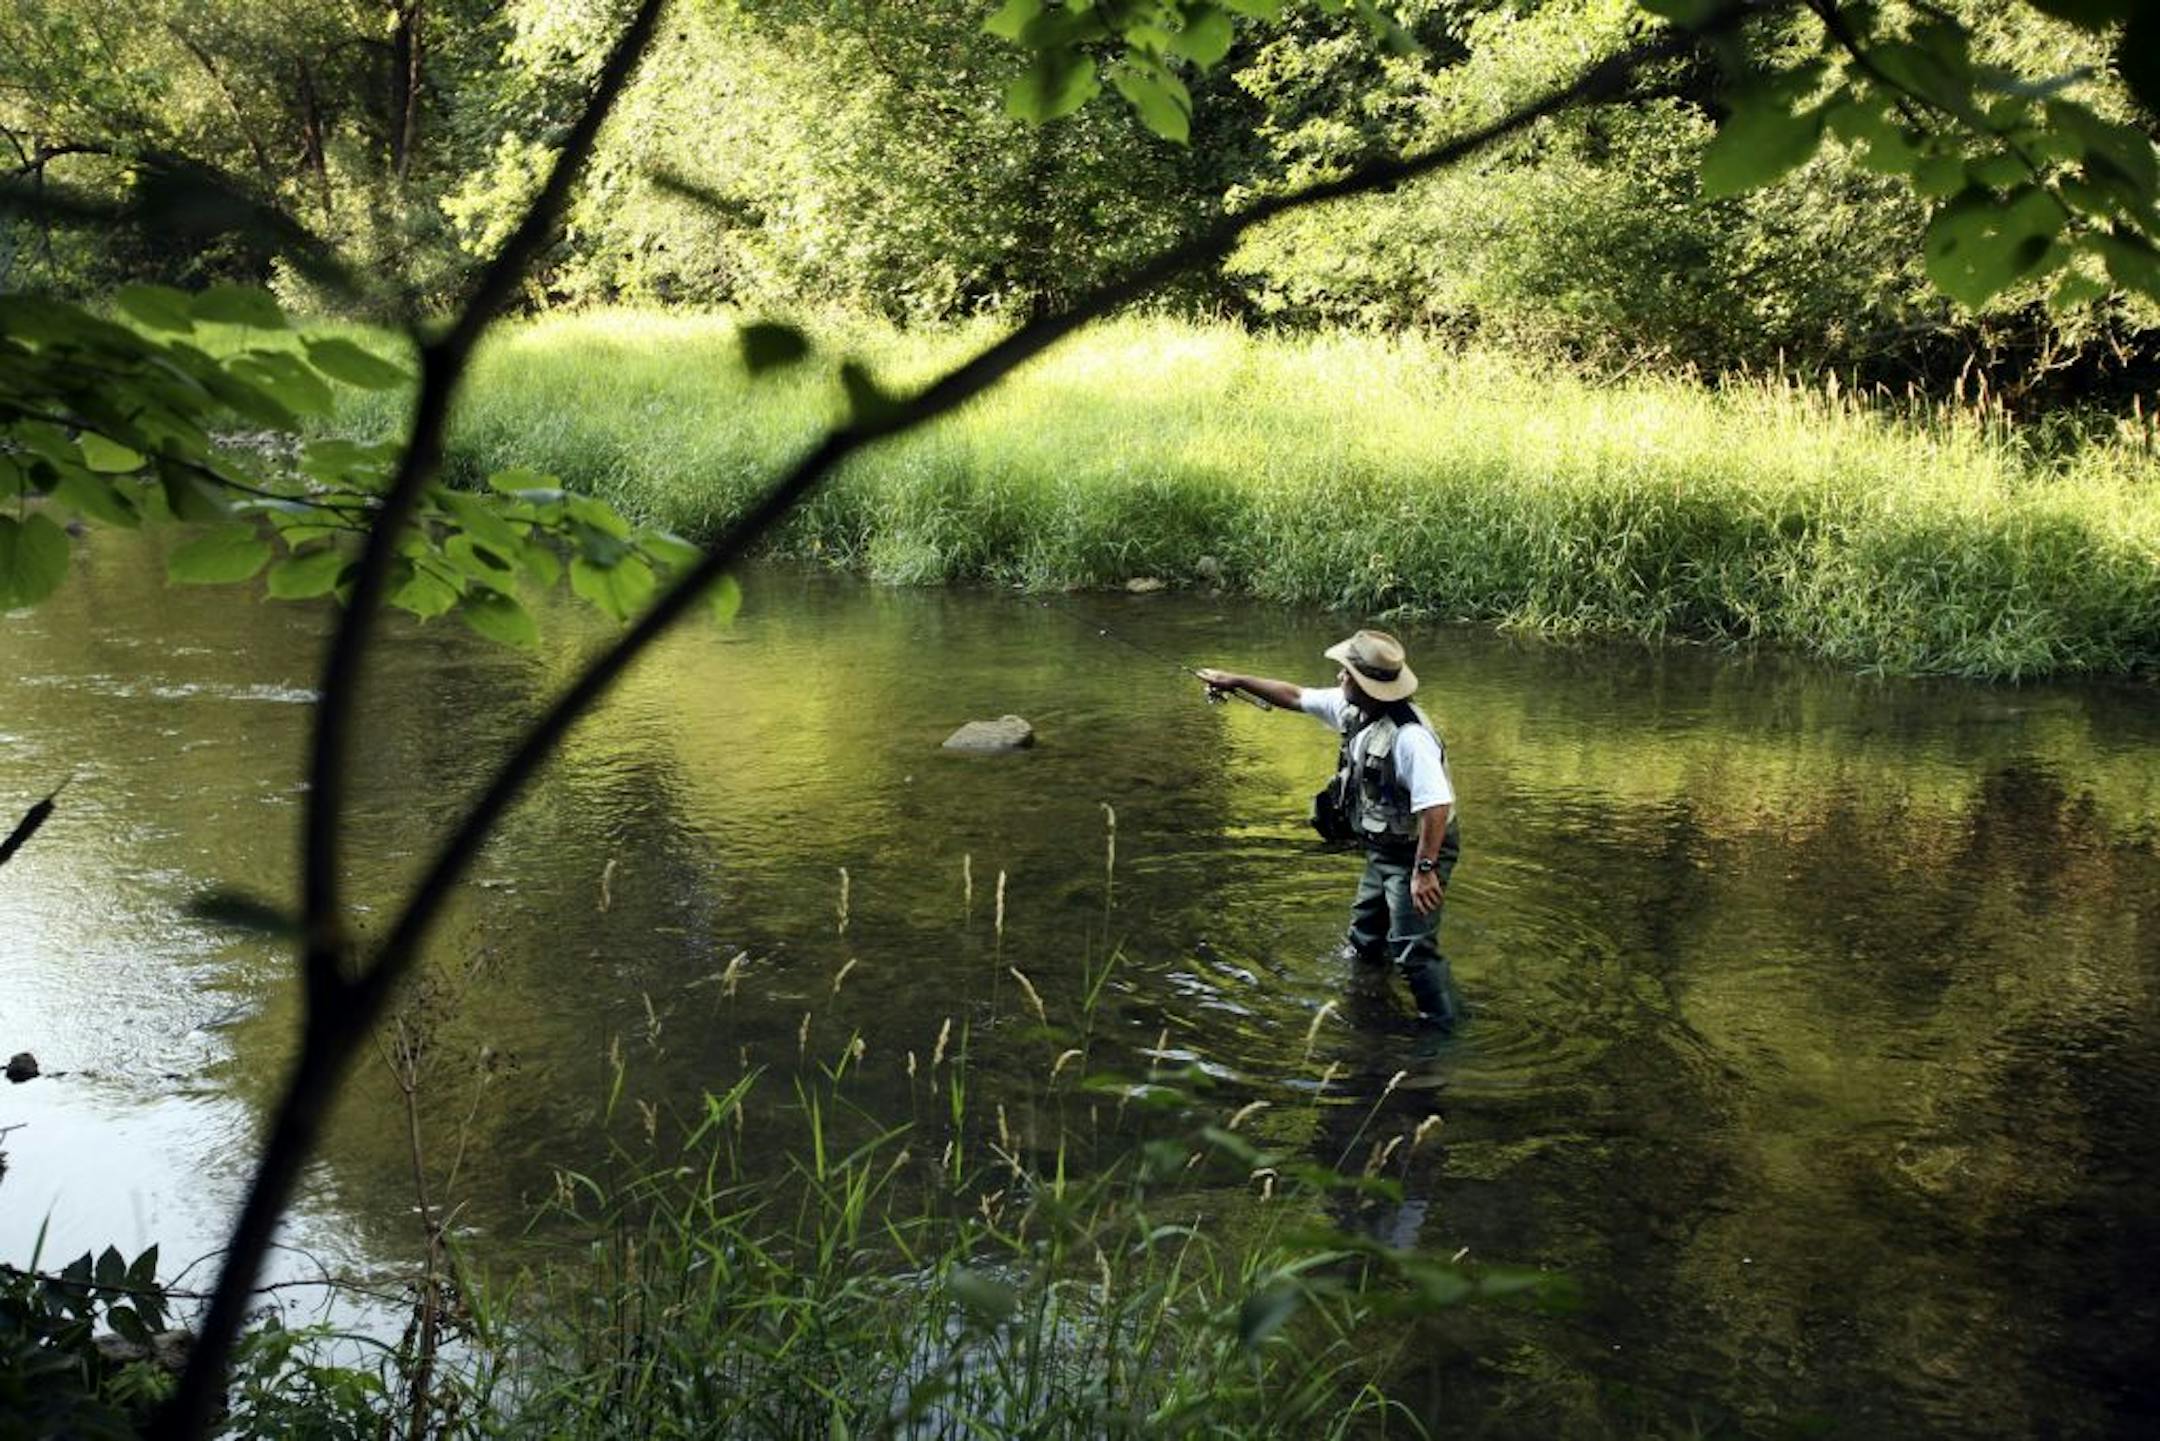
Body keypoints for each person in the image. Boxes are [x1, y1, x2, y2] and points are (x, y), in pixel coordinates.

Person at [1198, 628, 1462, 1029]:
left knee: (1414, 948)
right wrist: (1235, 680)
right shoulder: (1354, 708)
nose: (1339, 678)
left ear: (1367, 685)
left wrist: (1424, 871)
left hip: (1420, 850)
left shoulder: (1410, 737)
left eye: (1346, 673)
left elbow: (1436, 805)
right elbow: (1294, 696)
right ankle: (1371, 996)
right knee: (1365, 935)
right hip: (1384, 847)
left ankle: (1444, 1032)